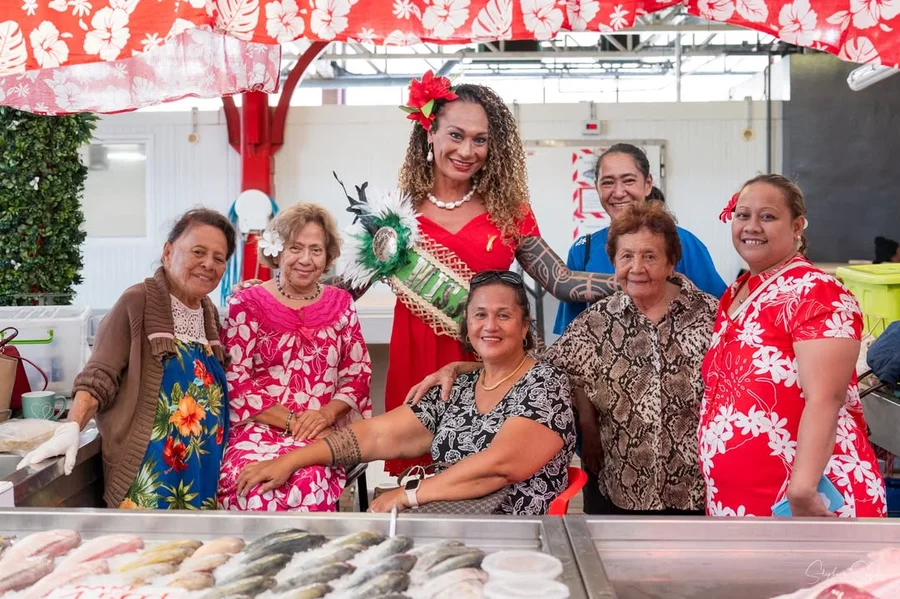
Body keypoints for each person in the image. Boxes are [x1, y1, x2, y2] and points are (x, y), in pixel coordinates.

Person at [237, 72, 617, 477]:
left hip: (488, 364)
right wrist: (268, 297)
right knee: (417, 480)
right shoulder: (394, 218)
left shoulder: (510, 210)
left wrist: (634, 281)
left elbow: (559, 280)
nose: (467, 150)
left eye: (480, 140)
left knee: (486, 477)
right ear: (429, 132)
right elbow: (341, 294)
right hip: (415, 362)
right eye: (456, 135)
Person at [408, 203, 716, 515]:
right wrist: (462, 367)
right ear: (614, 262)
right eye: (626, 256)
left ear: (671, 261)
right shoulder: (597, 322)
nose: (636, 267)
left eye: (649, 256)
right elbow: (535, 370)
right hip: (622, 495)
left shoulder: (712, 318)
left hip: (695, 493)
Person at [234, 270, 575, 516]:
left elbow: (497, 467)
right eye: (480, 315)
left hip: (515, 538)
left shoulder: (545, 385)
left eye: (504, 316)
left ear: (524, 326)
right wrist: (289, 461)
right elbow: (378, 435)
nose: (490, 326)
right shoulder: (458, 386)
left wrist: (407, 495)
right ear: (467, 325)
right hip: (452, 522)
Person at [17, 210, 236, 509]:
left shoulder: (209, 314)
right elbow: (98, 377)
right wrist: (71, 427)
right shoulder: (137, 302)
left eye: (219, 257)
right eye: (198, 252)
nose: (208, 264)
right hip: (149, 480)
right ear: (168, 251)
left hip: (203, 475)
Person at [702, 174, 886, 518]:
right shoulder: (736, 292)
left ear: (797, 226)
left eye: (767, 217)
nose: (751, 227)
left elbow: (825, 397)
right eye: (743, 215)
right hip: (741, 501)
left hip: (806, 500)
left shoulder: (816, 292)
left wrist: (802, 489)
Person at [216, 203, 371, 512]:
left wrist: (325, 416)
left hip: (321, 429)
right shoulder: (246, 303)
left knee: (310, 480)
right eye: (295, 247)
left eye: (316, 250)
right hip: (258, 428)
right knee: (256, 487)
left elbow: (357, 375)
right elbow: (235, 382)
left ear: (328, 257)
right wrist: (291, 421)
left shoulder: (341, 304)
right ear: (277, 251)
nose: (305, 259)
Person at [554, 143, 726, 336]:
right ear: (597, 187)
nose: (618, 192)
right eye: (608, 182)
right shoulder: (582, 251)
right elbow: (569, 334)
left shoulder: (683, 243)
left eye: (628, 181)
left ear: (648, 184)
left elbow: (720, 313)